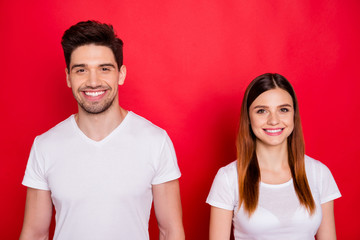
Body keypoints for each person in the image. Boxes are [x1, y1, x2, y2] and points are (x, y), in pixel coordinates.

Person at [20, 20, 185, 240]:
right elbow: (34, 233)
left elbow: (170, 231)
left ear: (121, 74)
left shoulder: (155, 141)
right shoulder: (45, 145)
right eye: (81, 70)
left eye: (104, 69)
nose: (93, 81)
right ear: (69, 77)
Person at [206, 73, 341, 240]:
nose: (274, 120)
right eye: (262, 111)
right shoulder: (228, 178)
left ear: (294, 115)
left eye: (283, 110)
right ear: (248, 118)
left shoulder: (319, 173)